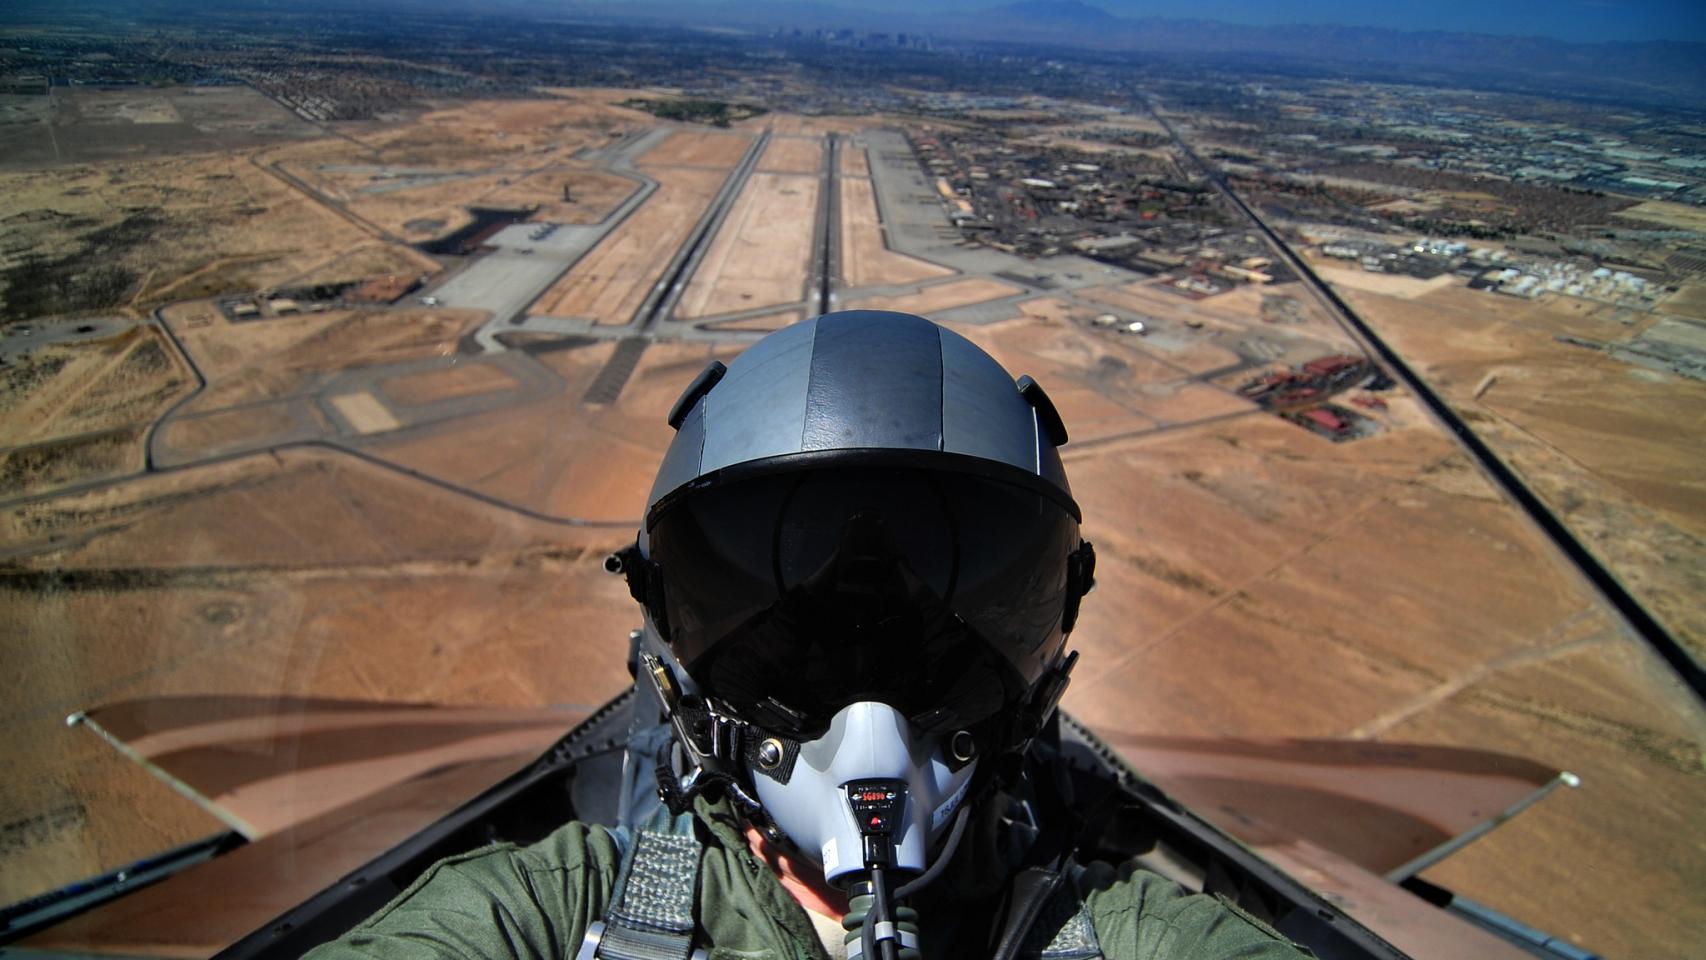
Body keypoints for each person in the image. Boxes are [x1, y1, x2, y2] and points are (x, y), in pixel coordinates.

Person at [307, 311, 1308, 960]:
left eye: (931, 632)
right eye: (793, 631)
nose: (866, 710)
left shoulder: (1126, 940)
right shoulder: (554, 909)